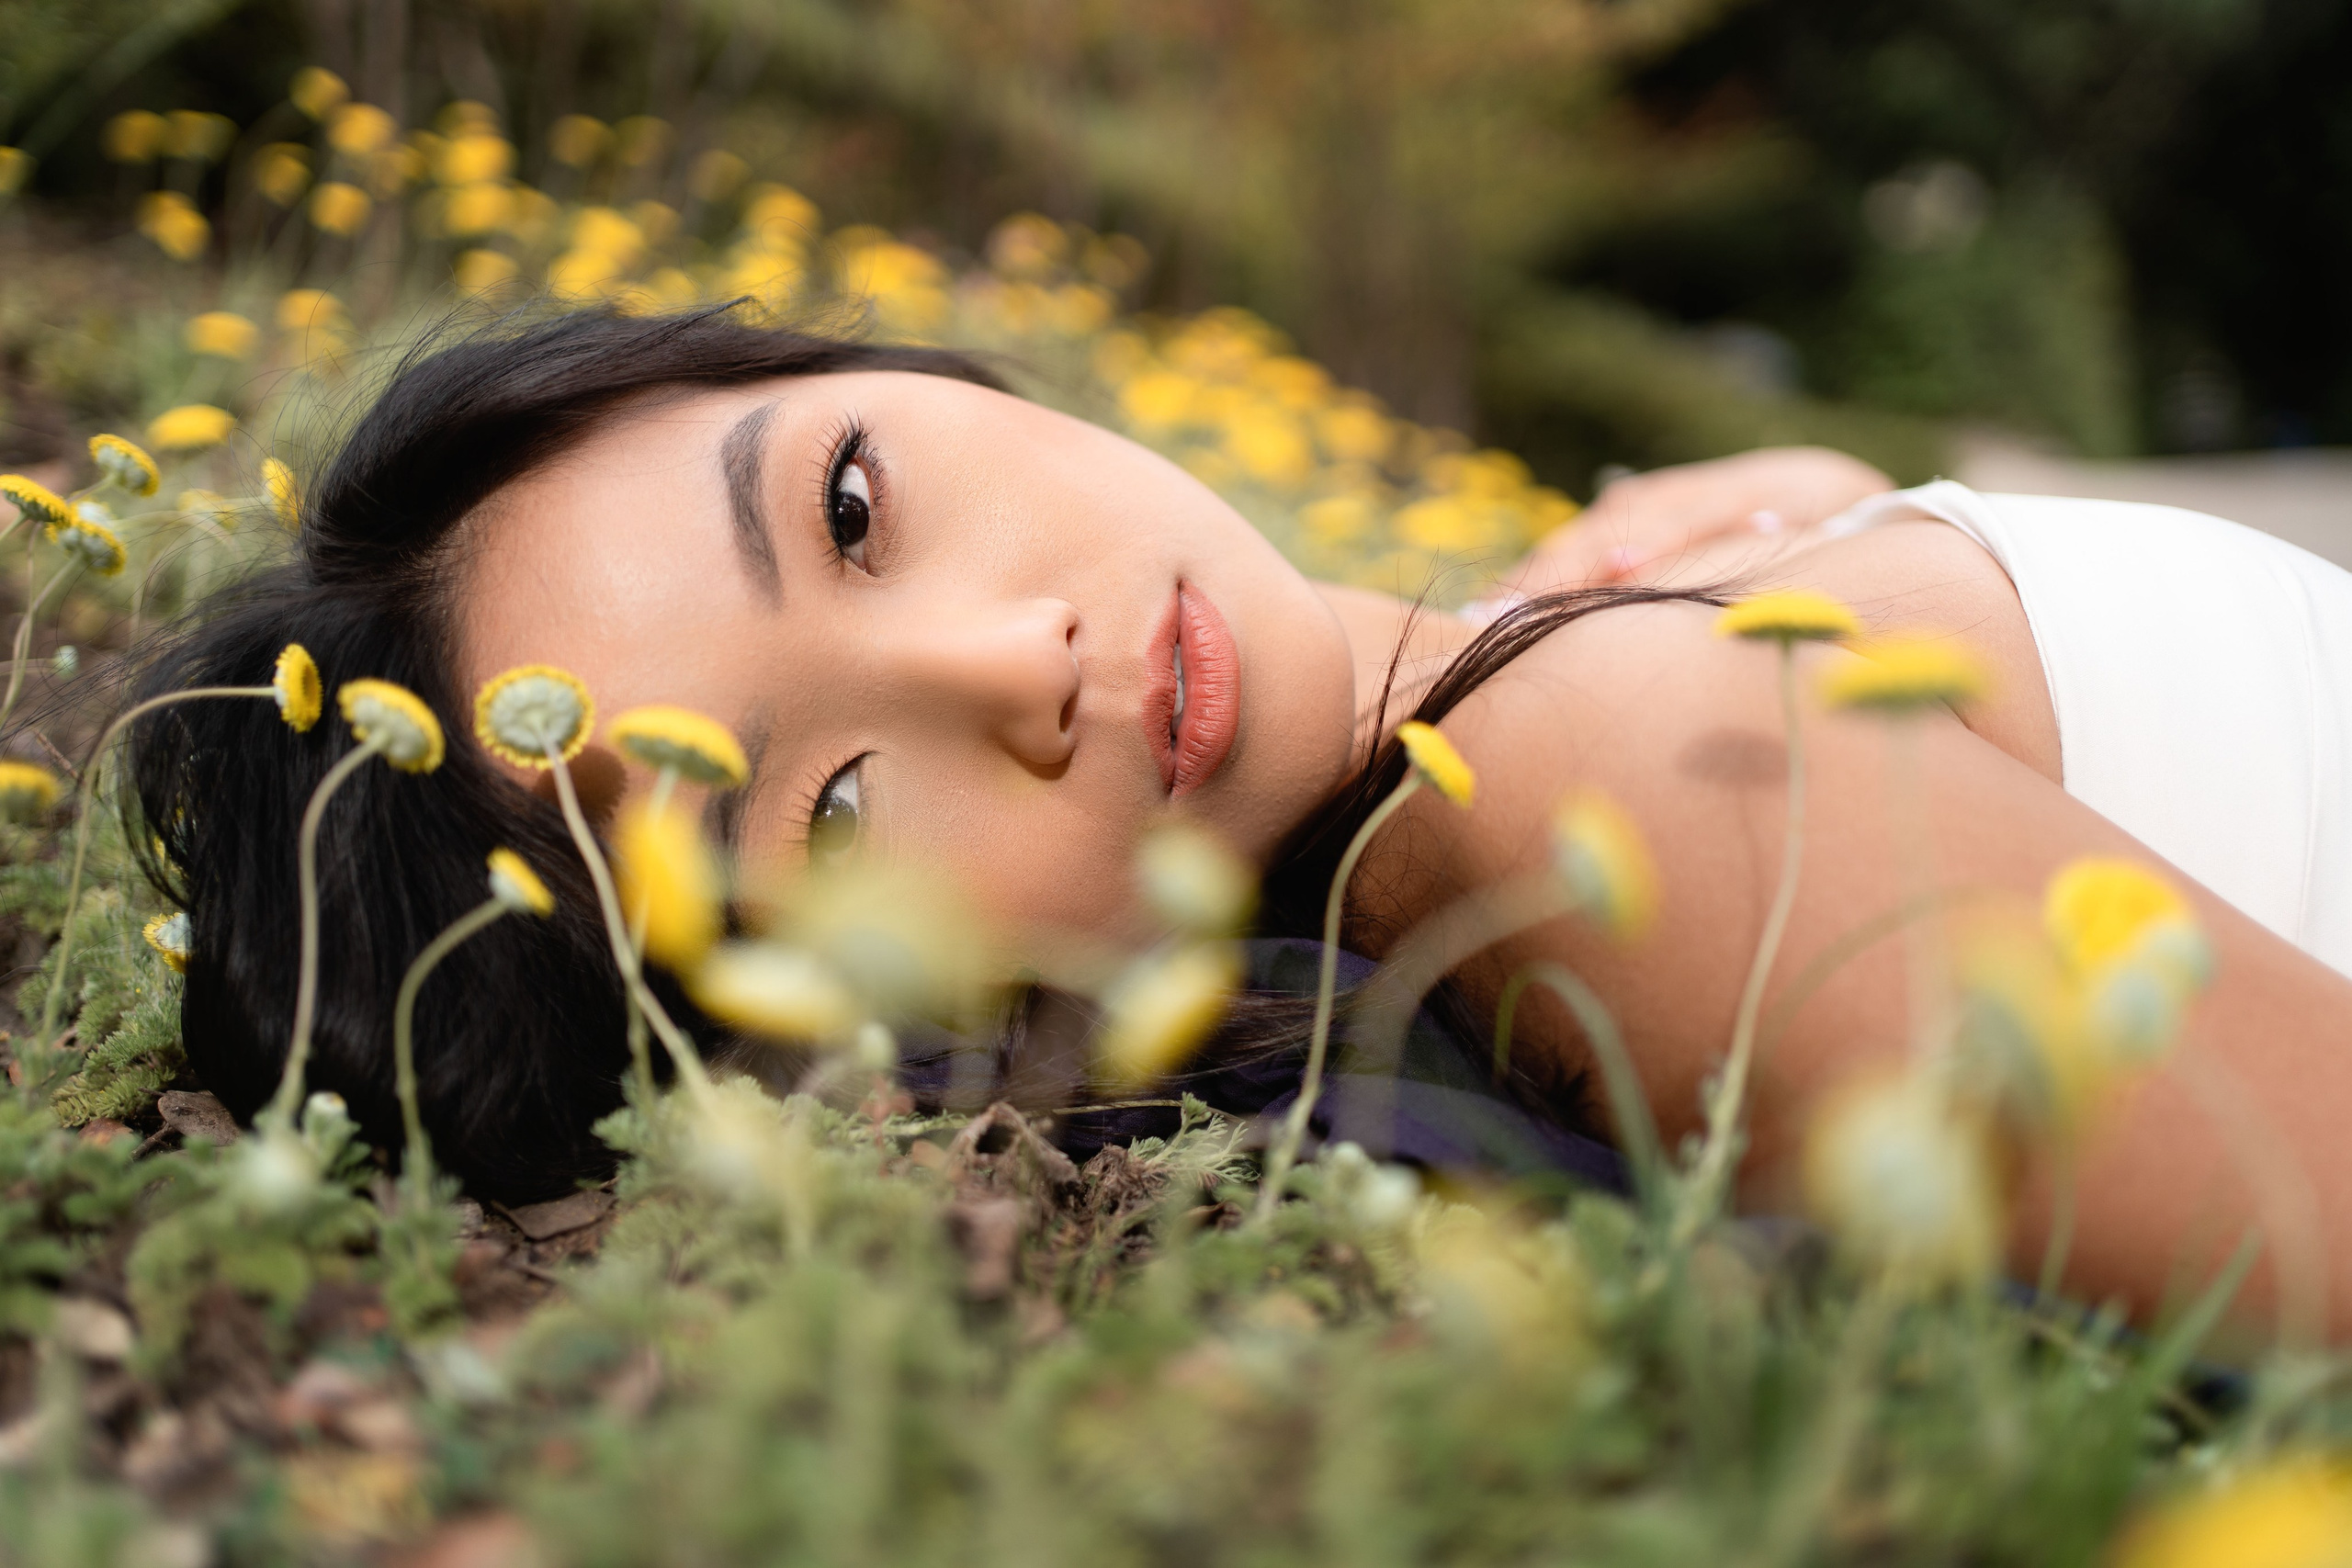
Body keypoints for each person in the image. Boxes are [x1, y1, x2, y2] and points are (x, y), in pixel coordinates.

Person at [130, 307, 2352, 1335]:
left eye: (847, 503)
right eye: (832, 806)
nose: (1014, 666)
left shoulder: (1570, 679)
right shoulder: (1598, 785)